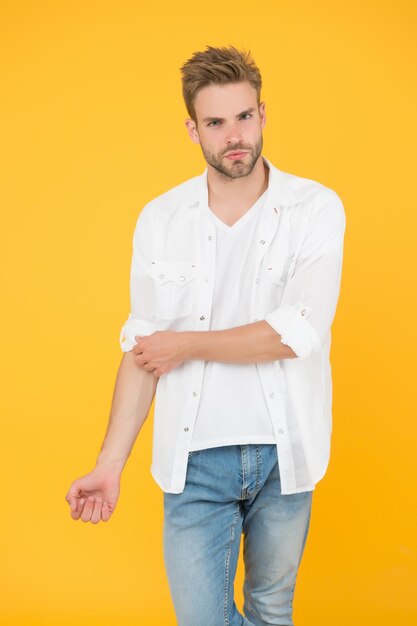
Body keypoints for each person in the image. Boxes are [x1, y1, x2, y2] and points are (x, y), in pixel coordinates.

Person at [65, 45, 346, 626]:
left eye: (244, 117)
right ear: (193, 130)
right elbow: (144, 351)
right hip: (194, 460)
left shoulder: (315, 209)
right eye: (216, 123)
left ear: (263, 114)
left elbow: (296, 333)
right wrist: (108, 464)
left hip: (284, 451)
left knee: (271, 609)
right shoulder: (161, 219)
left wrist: (188, 343)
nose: (234, 135)